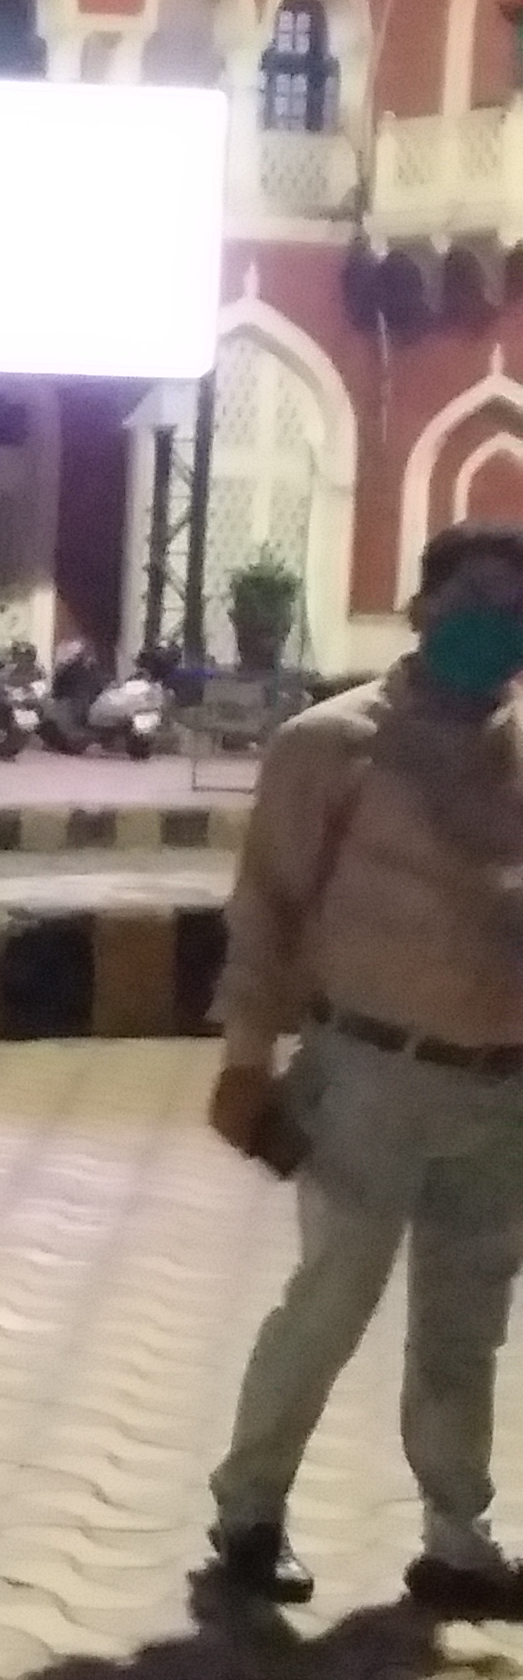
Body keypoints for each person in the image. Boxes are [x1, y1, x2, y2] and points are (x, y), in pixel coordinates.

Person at [200, 520, 523, 1614]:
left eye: (516, 610)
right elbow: (267, 914)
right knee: (331, 1300)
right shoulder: (332, 746)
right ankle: (249, 1512)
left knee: (466, 1321)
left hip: (501, 1088)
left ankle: (455, 1539)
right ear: (423, 608)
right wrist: (247, 1062)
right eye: (476, 602)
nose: (498, 629)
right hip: (368, 1074)